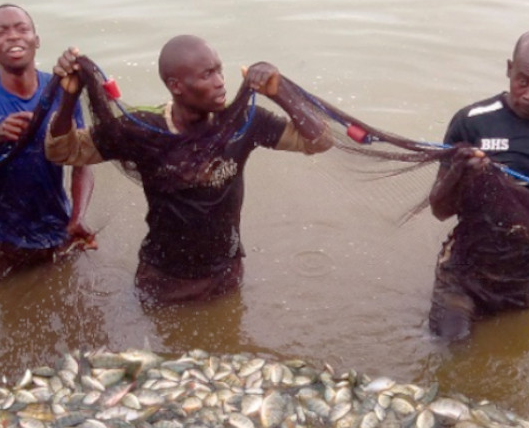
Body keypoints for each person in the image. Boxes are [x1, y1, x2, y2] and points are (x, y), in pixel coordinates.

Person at [46, 35, 334, 305]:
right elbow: (64, 151)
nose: (221, 82)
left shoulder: (243, 122)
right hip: (164, 281)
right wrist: (69, 97)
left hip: (227, 273)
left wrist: (279, 90)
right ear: (176, 85)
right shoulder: (144, 129)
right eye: (207, 75)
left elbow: (320, 140)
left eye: (220, 71)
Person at [426, 29, 529, 340]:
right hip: (465, 273)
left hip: (525, 277)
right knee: (449, 348)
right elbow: (439, 209)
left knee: (516, 352)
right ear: (509, 69)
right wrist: (459, 172)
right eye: (522, 81)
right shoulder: (472, 121)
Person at [0, 4, 95, 280]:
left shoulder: (63, 89)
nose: (13, 36)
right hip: (0, 241)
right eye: (1, 32)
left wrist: (78, 217)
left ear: (36, 41)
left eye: (22, 29)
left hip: (59, 228)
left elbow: (81, 161)